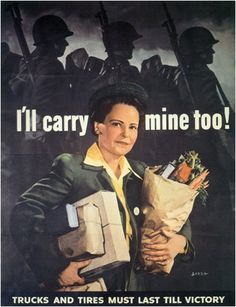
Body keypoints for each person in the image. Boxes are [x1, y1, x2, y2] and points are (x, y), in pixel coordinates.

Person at [10, 82, 194, 291]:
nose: (126, 134)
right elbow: (24, 211)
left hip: (134, 290)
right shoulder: (72, 167)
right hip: (89, 290)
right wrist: (57, 267)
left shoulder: (141, 172)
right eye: (117, 124)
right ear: (99, 126)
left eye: (133, 127)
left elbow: (177, 213)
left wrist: (180, 243)